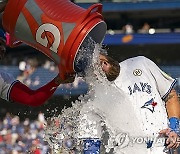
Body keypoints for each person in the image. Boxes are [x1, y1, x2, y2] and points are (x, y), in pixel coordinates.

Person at [83, 53, 180, 154]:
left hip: (161, 147)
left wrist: (174, 128)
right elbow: (91, 143)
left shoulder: (140, 63)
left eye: (99, 57)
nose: (101, 63)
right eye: (94, 66)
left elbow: (171, 96)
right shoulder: (95, 99)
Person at [0, 29, 75, 107]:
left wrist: (57, 81)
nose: (3, 49)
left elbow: (32, 98)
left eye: (4, 45)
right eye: (0, 43)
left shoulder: (4, 79)